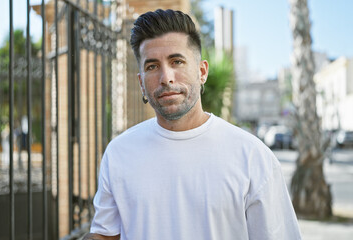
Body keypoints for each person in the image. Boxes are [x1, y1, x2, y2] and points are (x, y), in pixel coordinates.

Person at [84, 9, 301, 240]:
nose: (166, 77)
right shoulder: (119, 153)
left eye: (177, 61)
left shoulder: (253, 157)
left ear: (202, 72)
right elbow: (105, 235)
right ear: (141, 83)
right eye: (152, 66)